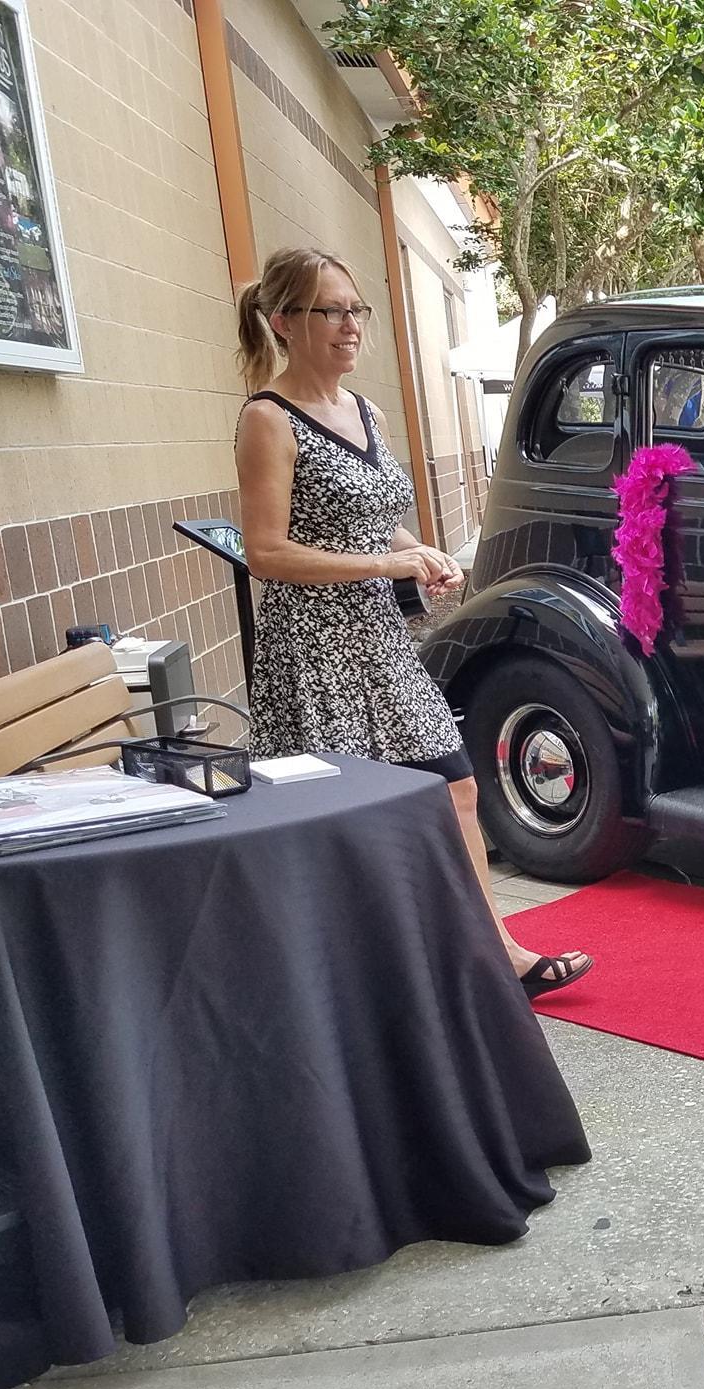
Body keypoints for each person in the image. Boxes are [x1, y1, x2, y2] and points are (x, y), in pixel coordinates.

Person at [234, 246, 591, 998]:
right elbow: (264, 552)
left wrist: (419, 553)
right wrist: (386, 563)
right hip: (314, 651)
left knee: (455, 788)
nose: (350, 326)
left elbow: (375, 518)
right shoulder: (267, 420)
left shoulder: (364, 411)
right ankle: (344, 983)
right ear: (284, 323)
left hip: (380, 643)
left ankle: (495, 955)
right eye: (331, 311)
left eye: (355, 310)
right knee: (336, 821)